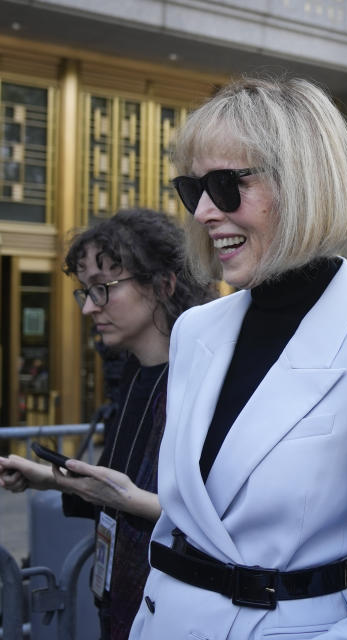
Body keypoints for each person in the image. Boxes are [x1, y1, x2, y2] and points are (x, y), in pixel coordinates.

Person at [128, 77, 347, 640]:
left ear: (304, 185)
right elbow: (184, 521)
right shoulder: (195, 331)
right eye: (192, 188)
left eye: (226, 186)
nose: (204, 211)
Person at [0, 208, 213, 640]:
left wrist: (129, 499)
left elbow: (212, 521)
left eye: (103, 289)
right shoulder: (132, 374)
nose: (89, 308)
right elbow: (120, 485)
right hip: (119, 603)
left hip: (172, 612)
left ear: (163, 285)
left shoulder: (202, 385)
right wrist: (49, 477)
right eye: (85, 292)